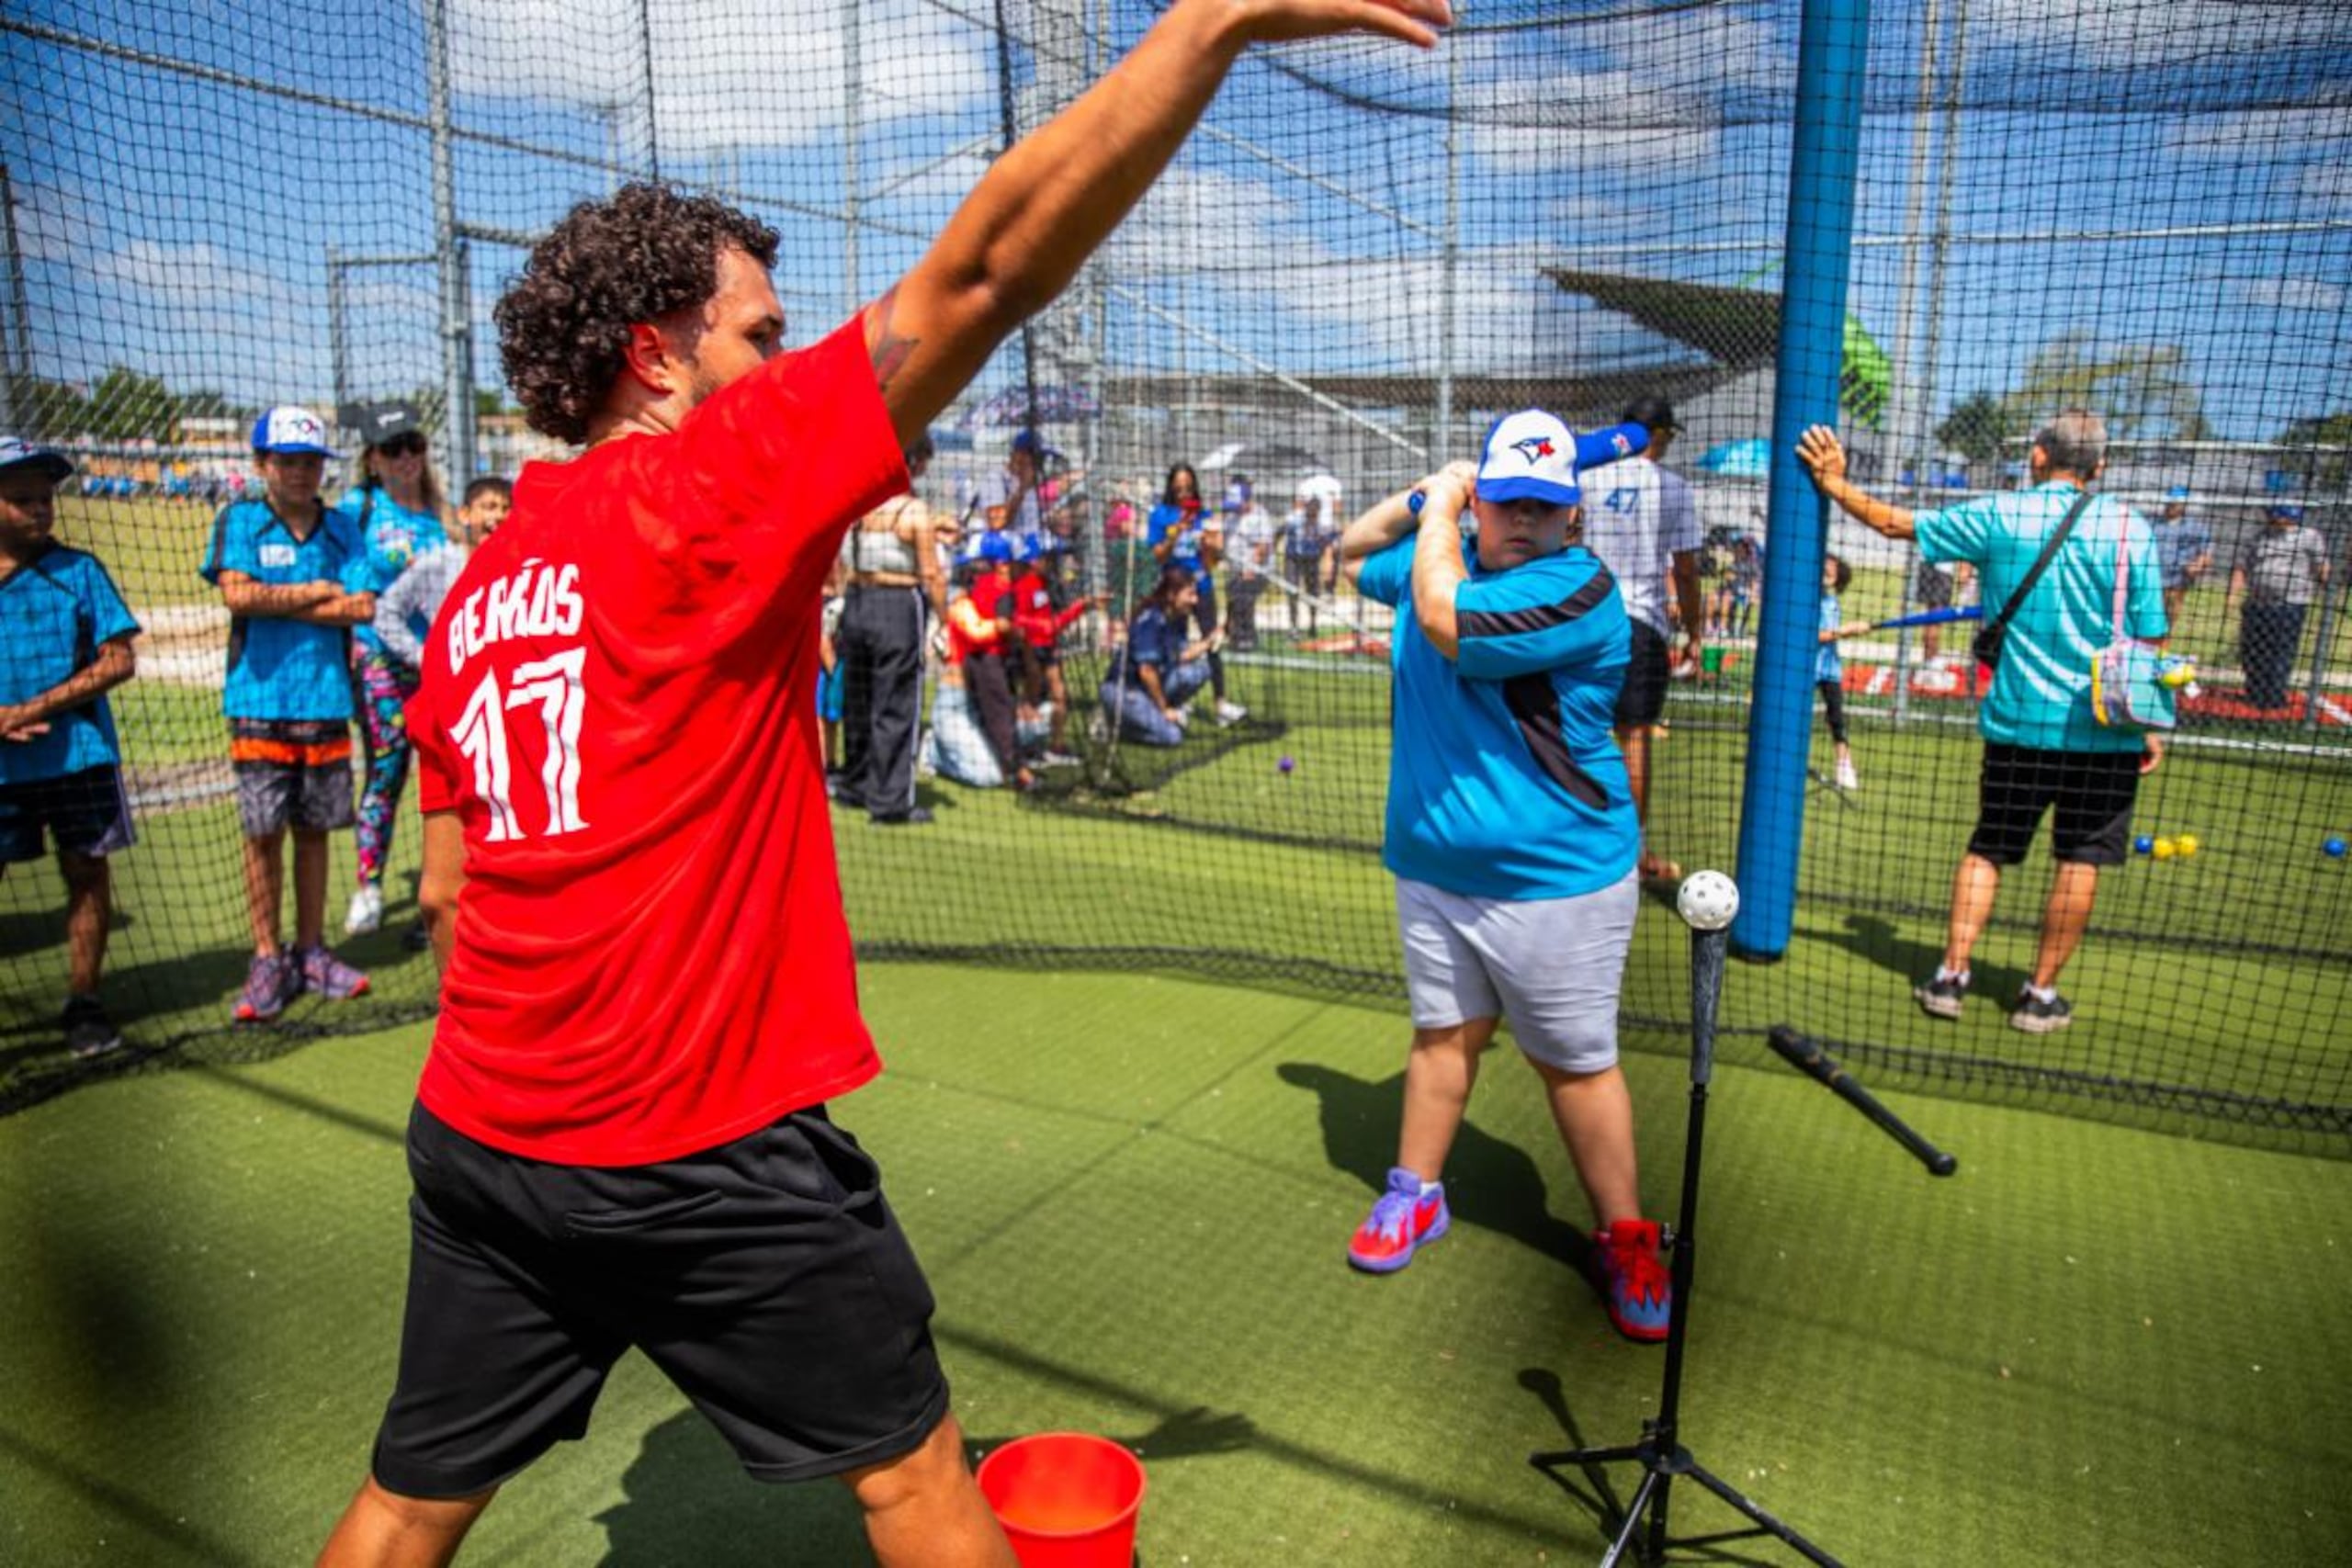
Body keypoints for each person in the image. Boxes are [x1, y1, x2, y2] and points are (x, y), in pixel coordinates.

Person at [316, 8, 1450, 1563]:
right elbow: (987, 270)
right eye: (762, 335)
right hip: (694, 1146)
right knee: (917, 1479)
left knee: (409, 1497)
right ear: (658, 354)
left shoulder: (486, 581)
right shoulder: (706, 482)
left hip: (485, 1132)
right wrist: (1219, 18)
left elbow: (449, 891)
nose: (787, 361)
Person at [1334, 409, 1671, 1343]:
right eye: (1508, 502)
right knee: (1442, 1038)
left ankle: (1626, 1235)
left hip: (1555, 877)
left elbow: (1442, 620)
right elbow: (1349, 550)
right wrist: (1426, 493)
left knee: (1572, 1065)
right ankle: (1417, 1194)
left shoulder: (1578, 590)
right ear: (1482, 501)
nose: (1524, 520)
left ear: (1571, 518)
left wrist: (1445, 513)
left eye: (1544, 506)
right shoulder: (1446, 549)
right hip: (1435, 870)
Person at [1797, 409, 2165, 1034]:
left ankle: (1949, 976)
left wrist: (1834, 484)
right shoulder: (2131, 528)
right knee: (2079, 861)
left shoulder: (2002, 513)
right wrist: (2147, 726)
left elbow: (1896, 525)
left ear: (2039, 456)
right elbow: (2150, 636)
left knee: (1989, 847)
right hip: (2106, 730)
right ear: (2099, 467)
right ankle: (2038, 995)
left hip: (2018, 725)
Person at [202, 406, 376, 1024]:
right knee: (262, 835)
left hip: (326, 703)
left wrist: (287, 602)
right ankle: (267, 956)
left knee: (314, 832)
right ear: (261, 465)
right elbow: (238, 594)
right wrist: (316, 592)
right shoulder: (241, 519)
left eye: (310, 461)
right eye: (287, 460)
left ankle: (311, 951)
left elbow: (361, 606)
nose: (301, 472)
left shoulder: (343, 529)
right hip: (257, 706)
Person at [0, 436, 139, 1058]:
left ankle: (85, 999)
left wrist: (32, 709)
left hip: (79, 756)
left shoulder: (78, 571)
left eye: (45, 497)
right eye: (20, 499)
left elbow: (118, 659)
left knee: (87, 871)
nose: (39, 510)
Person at [1575, 395, 1703, 885]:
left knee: (1573, 728)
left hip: (1582, 615)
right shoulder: (1671, 488)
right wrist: (1695, 633)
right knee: (1633, 736)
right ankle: (1629, 854)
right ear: (1663, 436)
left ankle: (1571, 838)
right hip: (1639, 622)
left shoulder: (1587, 478)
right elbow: (1687, 572)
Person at [340, 404, 453, 936]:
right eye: (392, 448)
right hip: (380, 657)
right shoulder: (359, 509)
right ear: (372, 458)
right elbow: (349, 584)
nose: (406, 457)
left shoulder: (442, 514)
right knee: (387, 768)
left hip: (440, 664)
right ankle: (369, 884)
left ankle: (448, 879)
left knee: (448, 772)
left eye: (414, 445)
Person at [837, 434, 951, 825]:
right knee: (897, 703)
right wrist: (944, 620)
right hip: (898, 604)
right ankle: (889, 801)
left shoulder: (861, 501)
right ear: (915, 463)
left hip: (857, 599)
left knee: (859, 698)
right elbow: (932, 574)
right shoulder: (914, 512)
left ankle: (855, 784)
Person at [1147, 462, 1246, 725]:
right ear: (1170, 487)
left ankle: (1221, 704)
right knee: (1173, 646)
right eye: (1178, 488)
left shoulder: (1203, 515)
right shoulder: (1161, 514)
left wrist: (1212, 547)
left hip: (1201, 587)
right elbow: (1157, 555)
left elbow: (1211, 561)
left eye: (1188, 488)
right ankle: (1176, 701)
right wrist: (1175, 533)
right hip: (1172, 592)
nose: (1183, 493)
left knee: (1212, 641)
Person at [1102, 562, 1217, 746]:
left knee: (1200, 671)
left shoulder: (1177, 618)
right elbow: (1147, 671)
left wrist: (1210, 641)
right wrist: (1164, 710)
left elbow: (1181, 656)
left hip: (1148, 685)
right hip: (1125, 690)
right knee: (1172, 737)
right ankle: (1117, 726)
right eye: (1190, 594)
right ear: (1171, 595)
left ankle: (1150, 714)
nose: (1195, 600)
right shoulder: (1150, 622)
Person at [2230, 502, 2329, 711]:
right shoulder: (2259, 537)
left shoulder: (2309, 536)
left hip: (2291, 603)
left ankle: (2273, 696)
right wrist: (2233, 595)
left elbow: (2321, 565)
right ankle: (2255, 692)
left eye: (2273, 513)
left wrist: (2327, 586)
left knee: (2280, 651)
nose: (2268, 516)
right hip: (2257, 604)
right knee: (2252, 650)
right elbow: (2241, 566)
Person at [1011, 534, 1098, 765]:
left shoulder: (1046, 584)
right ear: (1033, 560)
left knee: (1060, 696)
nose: (1052, 563)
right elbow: (1017, 620)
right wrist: (1040, 628)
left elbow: (1054, 623)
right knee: (1031, 700)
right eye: (1047, 558)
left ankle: (1056, 746)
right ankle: (1027, 750)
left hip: (1048, 649)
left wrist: (1081, 607)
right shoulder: (1023, 585)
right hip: (1029, 650)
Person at [1816, 553, 1868, 792]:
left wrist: (1847, 631)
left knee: (1836, 718)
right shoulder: (1809, 599)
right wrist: (1846, 631)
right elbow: (1814, 636)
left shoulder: (1831, 602)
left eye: (1831, 571)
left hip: (1829, 669)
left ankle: (1844, 766)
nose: (1827, 572)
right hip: (1805, 668)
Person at [1222, 475, 1276, 651]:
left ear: (1247, 500)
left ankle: (1246, 638)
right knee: (1233, 598)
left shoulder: (1260, 516)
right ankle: (1233, 635)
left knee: (1243, 598)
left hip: (1257, 570)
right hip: (1236, 569)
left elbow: (1263, 546)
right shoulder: (1231, 517)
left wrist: (1251, 567)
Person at [1282, 479, 1340, 634]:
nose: (1312, 516)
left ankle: (1313, 623)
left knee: (1313, 591)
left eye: (1315, 513)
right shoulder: (1294, 519)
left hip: (1312, 559)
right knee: (1292, 590)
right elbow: (1279, 531)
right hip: (1292, 558)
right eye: (1310, 512)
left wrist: (1328, 558)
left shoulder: (1324, 525)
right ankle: (1293, 626)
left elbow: (1334, 540)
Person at [2154, 485, 2212, 633]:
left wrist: (2197, 565)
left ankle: (2164, 644)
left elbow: (2207, 552)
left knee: (2169, 618)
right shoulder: (2154, 524)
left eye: (2177, 503)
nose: (2172, 506)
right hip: (2153, 579)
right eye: (2170, 502)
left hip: (2178, 581)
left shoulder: (2194, 527)